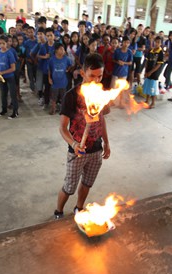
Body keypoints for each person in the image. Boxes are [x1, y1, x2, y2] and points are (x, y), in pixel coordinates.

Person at [54, 53, 110, 219]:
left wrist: (106, 142)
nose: (96, 80)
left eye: (100, 76)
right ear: (82, 73)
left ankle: (79, 208)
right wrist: (74, 144)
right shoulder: (71, 96)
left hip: (96, 149)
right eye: (92, 76)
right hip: (77, 150)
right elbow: (63, 128)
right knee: (69, 186)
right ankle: (58, 211)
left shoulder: (101, 93)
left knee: (87, 183)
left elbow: (101, 120)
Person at [0, 35, 17, 118]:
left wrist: (2, 72)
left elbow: (13, 68)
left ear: (6, 43)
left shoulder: (9, 53)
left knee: (12, 94)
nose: (1, 45)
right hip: (1, 78)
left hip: (9, 77)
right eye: (0, 43)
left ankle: (15, 111)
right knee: (3, 94)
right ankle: (4, 109)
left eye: (3, 43)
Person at [48, 43, 72, 115]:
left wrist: (68, 69)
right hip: (54, 82)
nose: (63, 51)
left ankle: (63, 110)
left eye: (63, 49)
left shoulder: (66, 58)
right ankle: (53, 109)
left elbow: (70, 65)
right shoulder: (52, 59)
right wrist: (49, 78)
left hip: (63, 82)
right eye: (61, 49)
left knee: (63, 96)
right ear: (56, 50)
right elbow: (49, 69)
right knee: (54, 97)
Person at [143, 36, 164, 108]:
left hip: (155, 73)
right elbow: (147, 61)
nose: (156, 43)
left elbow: (158, 65)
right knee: (148, 86)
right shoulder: (150, 51)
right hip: (148, 71)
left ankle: (153, 103)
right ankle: (147, 100)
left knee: (153, 88)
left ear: (161, 44)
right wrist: (146, 70)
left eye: (158, 42)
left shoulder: (160, 53)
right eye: (156, 42)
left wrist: (151, 72)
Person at [112, 36, 133, 107]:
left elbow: (130, 62)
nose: (126, 44)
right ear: (122, 43)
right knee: (113, 87)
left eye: (128, 43)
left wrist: (124, 63)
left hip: (124, 72)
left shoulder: (129, 52)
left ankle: (121, 102)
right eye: (125, 42)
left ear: (129, 43)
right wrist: (118, 61)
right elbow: (113, 59)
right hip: (115, 71)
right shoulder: (117, 51)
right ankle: (112, 101)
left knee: (121, 89)